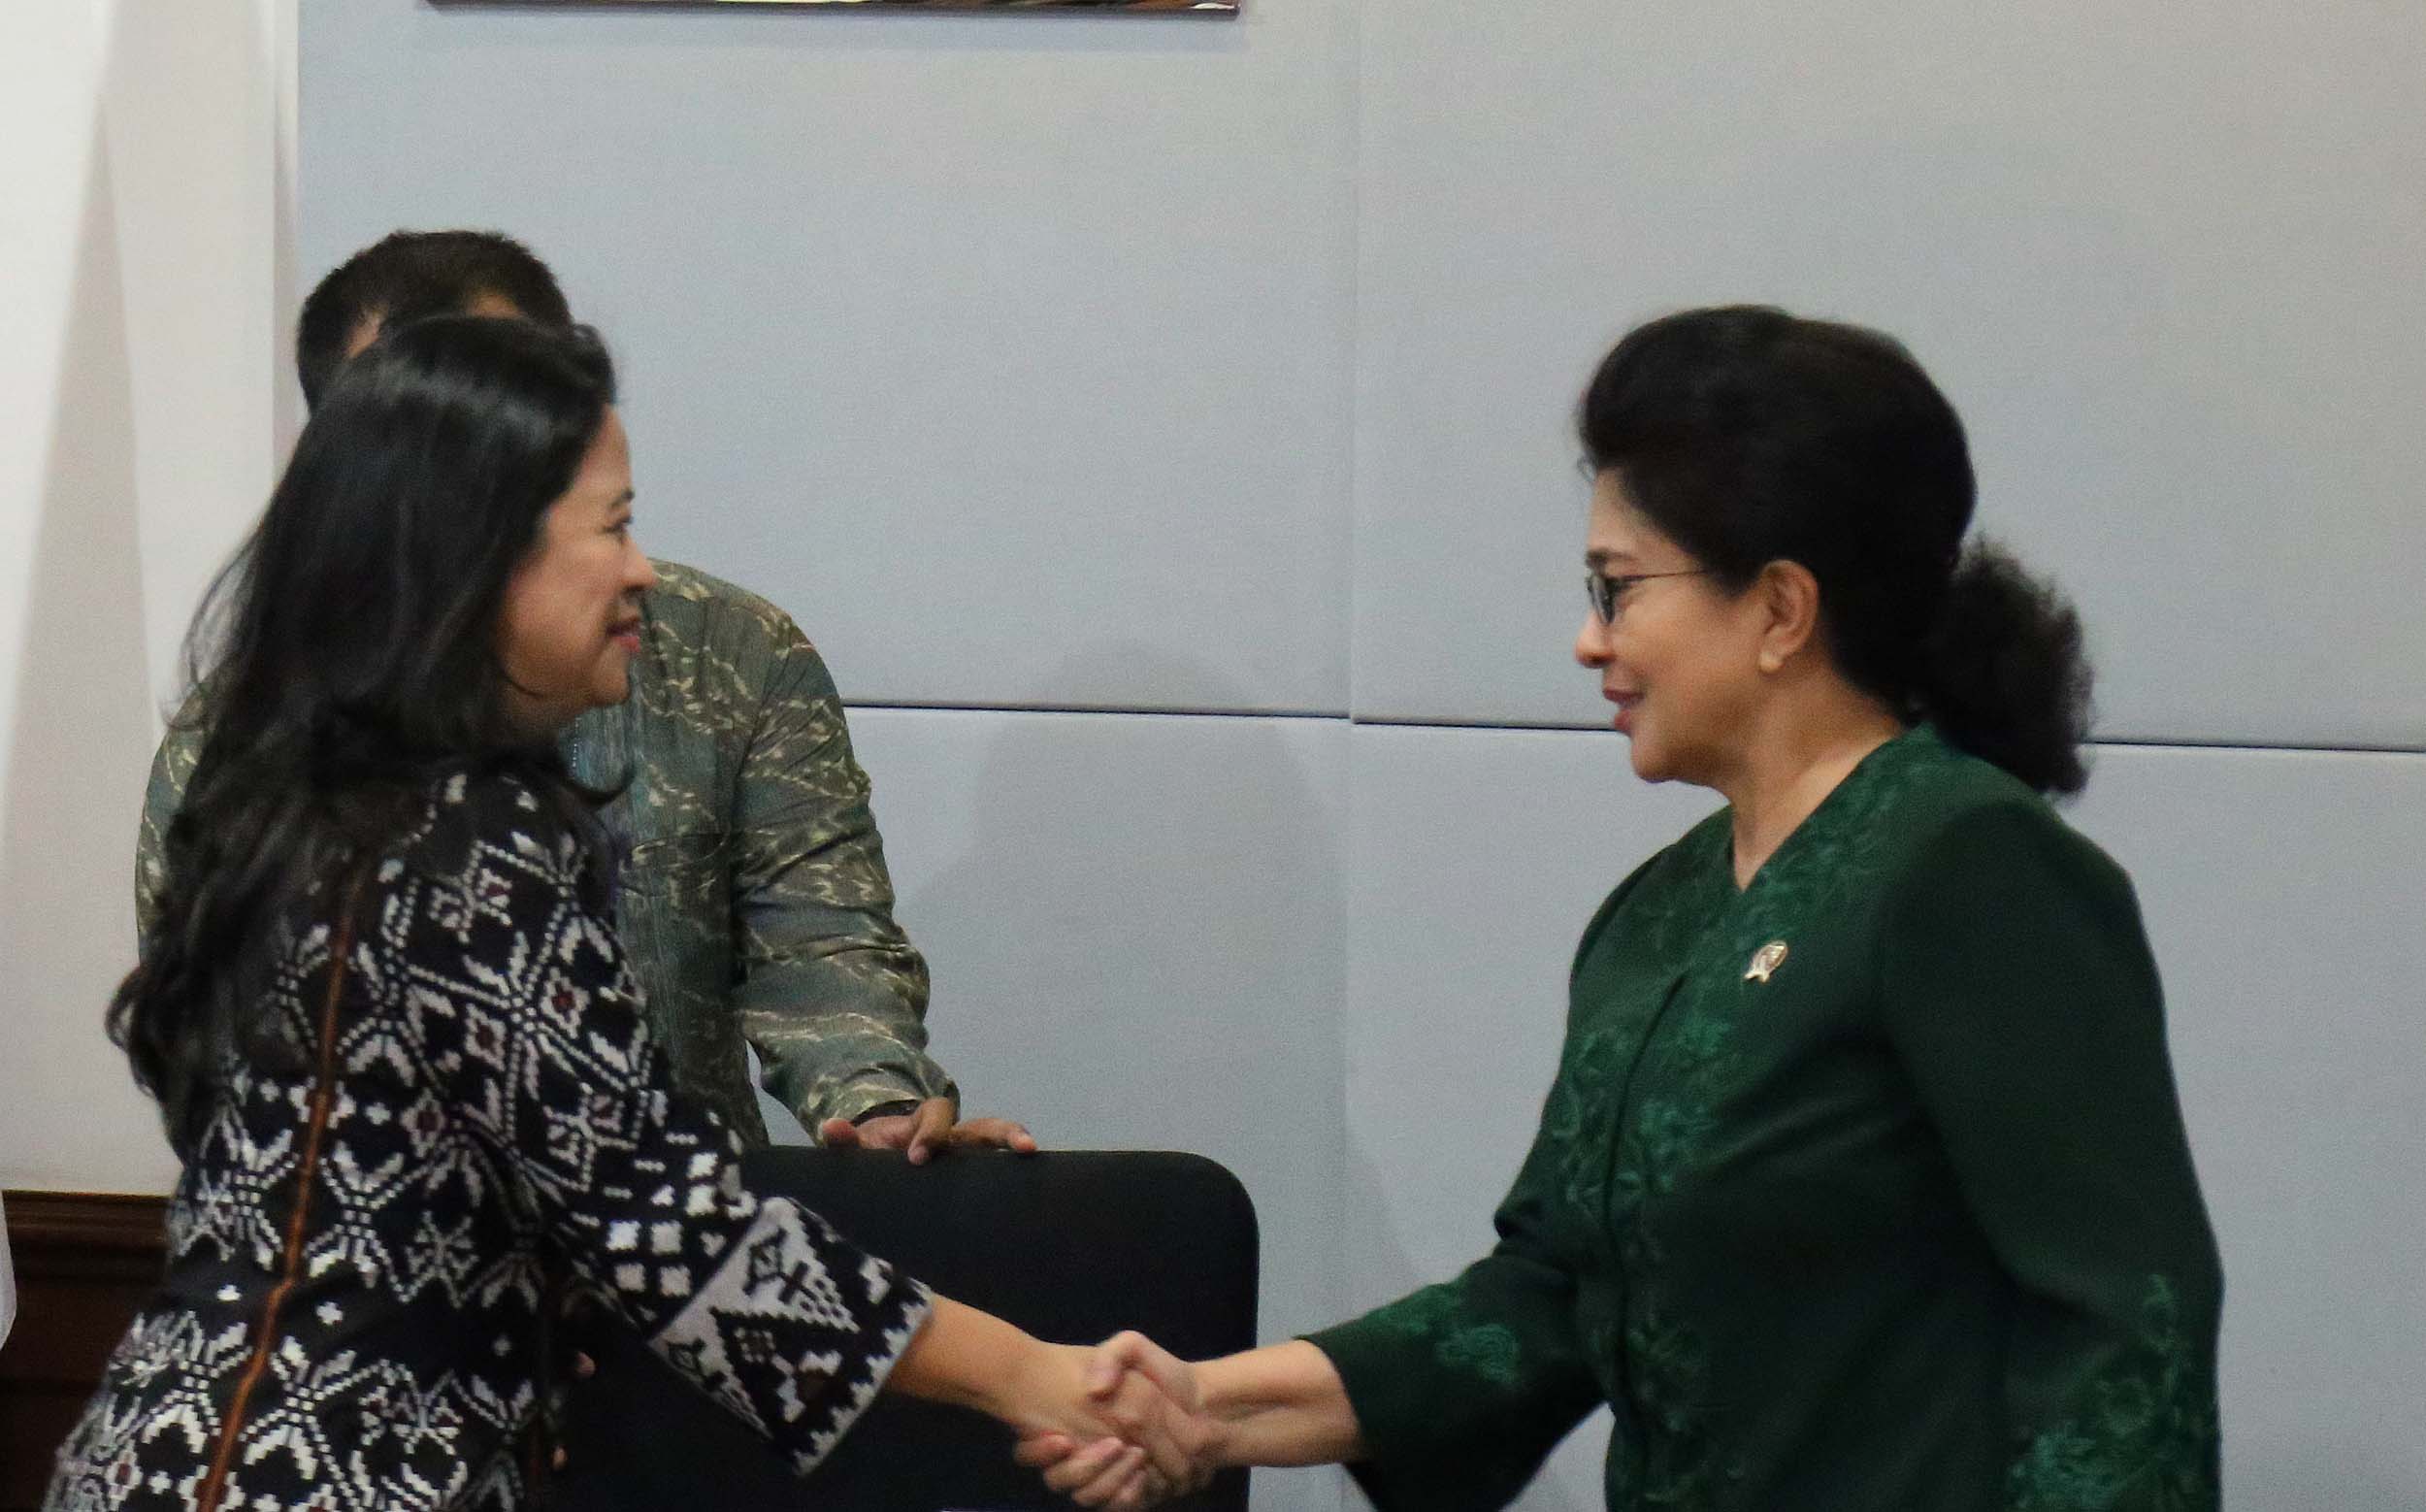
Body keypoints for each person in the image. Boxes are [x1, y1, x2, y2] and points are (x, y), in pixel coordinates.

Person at [1027, 306, 2225, 1510]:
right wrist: (1200, 1406)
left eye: (1617, 588)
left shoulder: (1967, 863)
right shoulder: (1658, 912)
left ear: (1780, 609)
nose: (1586, 641)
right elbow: (1546, 1302)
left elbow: (2127, 1325)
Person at [49, 317, 1181, 1511]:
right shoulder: (465, 845)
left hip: (182, 1449)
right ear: (478, 556)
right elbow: (676, 1235)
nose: (642, 570)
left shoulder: (304, 794)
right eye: (613, 526)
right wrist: (1038, 1378)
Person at [135, 229, 1030, 1164]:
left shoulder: (734, 652)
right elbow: (213, 1058)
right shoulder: (253, 737)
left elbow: (818, 944)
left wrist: (878, 1111)